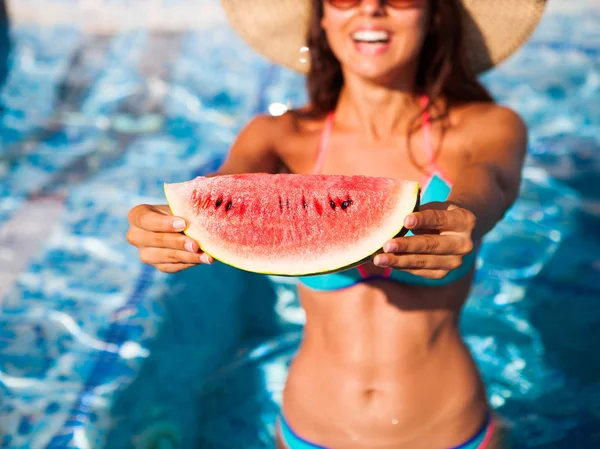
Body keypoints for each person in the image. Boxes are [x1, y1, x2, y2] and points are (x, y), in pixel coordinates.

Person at [126, 0, 546, 447]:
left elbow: (492, 181)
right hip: (309, 432)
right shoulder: (278, 137)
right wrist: (164, 222)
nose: (371, 8)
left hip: (451, 434)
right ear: (321, 15)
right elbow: (218, 192)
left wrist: (465, 214)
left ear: (433, 13)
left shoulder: (487, 126)